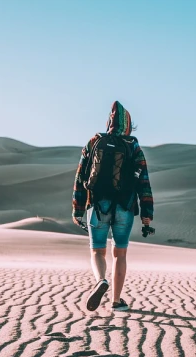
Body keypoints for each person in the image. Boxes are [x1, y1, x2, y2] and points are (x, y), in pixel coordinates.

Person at [72, 101, 154, 312]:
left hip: (97, 205)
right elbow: (144, 182)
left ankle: (100, 280)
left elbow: (80, 177)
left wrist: (77, 209)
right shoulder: (133, 146)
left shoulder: (94, 142)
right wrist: (146, 214)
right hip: (124, 207)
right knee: (120, 254)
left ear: (109, 122)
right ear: (128, 125)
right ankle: (116, 301)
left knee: (97, 252)